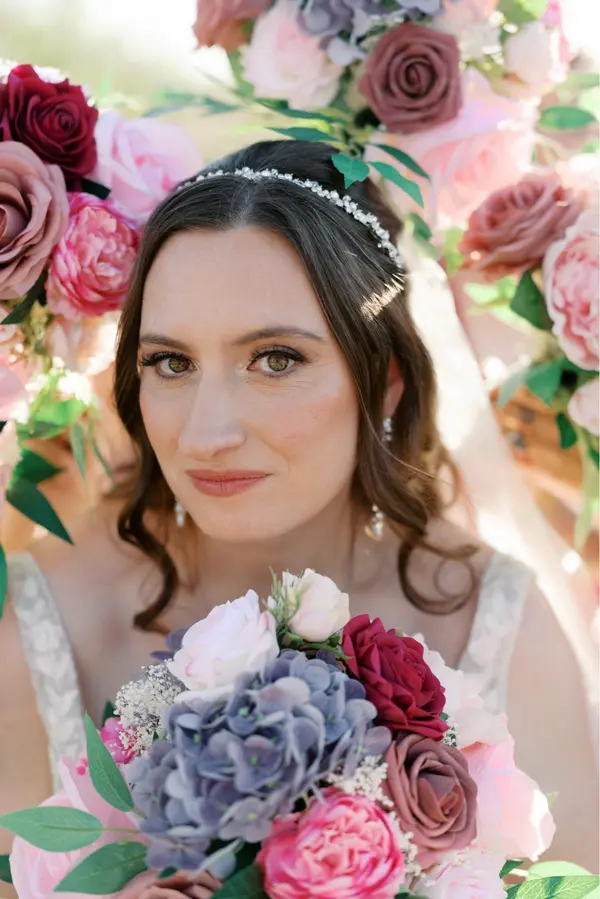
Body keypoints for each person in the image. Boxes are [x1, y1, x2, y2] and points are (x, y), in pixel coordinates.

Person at [0, 140, 597, 873]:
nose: (207, 434)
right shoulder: (37, 626)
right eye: (171, 362)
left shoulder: (500, 625)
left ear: (386, 382)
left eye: (276, 360)